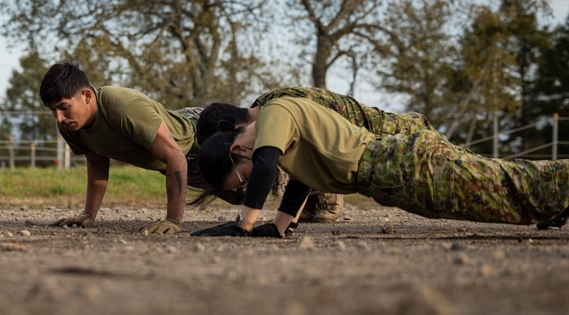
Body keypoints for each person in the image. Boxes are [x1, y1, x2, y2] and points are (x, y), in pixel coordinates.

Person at [192, 97, 569, 237]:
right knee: (502, 198)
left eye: (240, 177)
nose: (248, 182)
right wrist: (276, 226)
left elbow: (265, 162)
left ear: (239, 146)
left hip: (400, 163)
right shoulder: (287, 139)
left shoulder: (275, 112)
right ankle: (557, 199)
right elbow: (302, 181)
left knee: (506, 191)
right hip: (395, 173)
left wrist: (244, 223)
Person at [40, 62, 239, 234]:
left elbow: (174, 156)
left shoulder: (123, 107)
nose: (59, 117)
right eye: (53, 110)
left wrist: (173, 220)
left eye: (64, 107)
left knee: (263, 176)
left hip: (204, 136)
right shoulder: (70, 124)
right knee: (240, 196)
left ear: (86, 95)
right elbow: (96, 163)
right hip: (184, 160)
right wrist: (89, 214)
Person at [195, 87, 437, 223]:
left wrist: (246, 223)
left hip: (393, 136)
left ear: (235, 130)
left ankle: (326, 198)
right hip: (375, 151)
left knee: (438, 174)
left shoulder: (277, 109)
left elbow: (308, 154)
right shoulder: (266, 111)